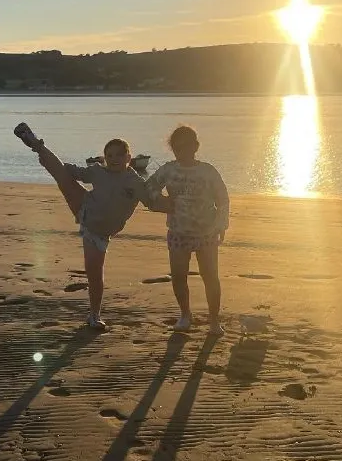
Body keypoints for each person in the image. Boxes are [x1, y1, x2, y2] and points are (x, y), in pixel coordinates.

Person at [14, 122, 171, 330]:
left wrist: (176, 204)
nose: (114, 159)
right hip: (85, 207)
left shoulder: (135, 182)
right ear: (105, 158)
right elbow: (72, 172)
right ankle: (35, 143)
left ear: (128, 158)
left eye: (119, 155)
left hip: (100, 233)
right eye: (110, 155)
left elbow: (153, 203)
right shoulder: (98, 171)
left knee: (94, 274)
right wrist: (57, 167)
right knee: (60, 174)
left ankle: (94, 315)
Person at [147, 125, 229, 335]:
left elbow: (222, 199)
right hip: (178, 232)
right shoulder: (168, 169)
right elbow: (148, 189)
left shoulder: (207, 171)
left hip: (207, 232)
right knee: (178, 275)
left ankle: (214, 320)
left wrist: (222, 225)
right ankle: (185, 314)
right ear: (172, 149)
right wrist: (162, 202)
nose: (182, 151)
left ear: (196, 146)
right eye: (177, 147)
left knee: (210, 275)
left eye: (187, 146)